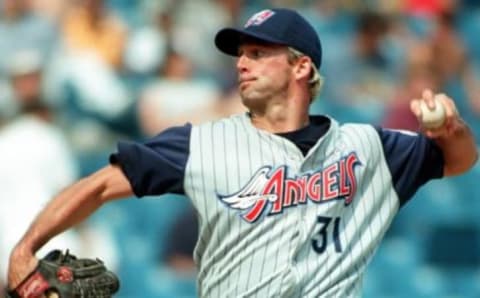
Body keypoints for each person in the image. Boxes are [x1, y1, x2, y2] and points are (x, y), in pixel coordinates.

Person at [6, 8, 478, 297]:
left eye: (257, 52)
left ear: (301, 66)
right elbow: (99, 185)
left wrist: (452, 128)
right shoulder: (201, 144)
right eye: (241, 53)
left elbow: (461, 160)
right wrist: (25, 249)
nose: (242, 62)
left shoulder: (368, 147)